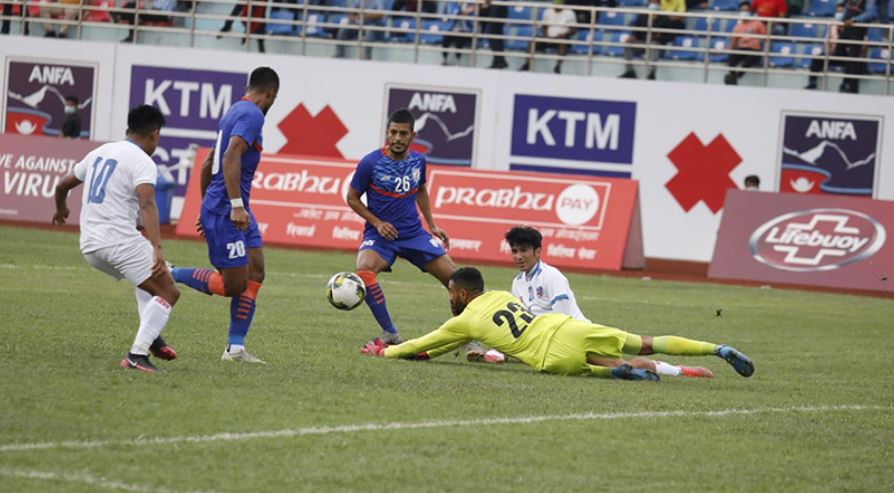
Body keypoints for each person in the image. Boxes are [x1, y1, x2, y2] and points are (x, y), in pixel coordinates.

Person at [361, 267, 755, 381]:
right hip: (566, 327)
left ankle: (622, 373)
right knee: (646, 341)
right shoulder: (504, 295)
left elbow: (423, 344)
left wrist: (386, 352)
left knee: (612, 368)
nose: (449, 298)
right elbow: (440, 346)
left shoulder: (465, 321)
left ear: (462, 294)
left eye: (451, 294)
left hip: (551, 354)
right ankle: (715, 349)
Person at [51, 105, 180, 373]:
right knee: (168, 290)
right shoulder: (143, 161)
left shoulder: (100, 151)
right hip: (118, 241)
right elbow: (147, 204)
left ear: (127, 130)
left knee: (150, 280)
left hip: (90, 246)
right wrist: (157, 247)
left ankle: (152, 337)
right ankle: (137, 354)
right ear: (155, 134)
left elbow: (62, 185)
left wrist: (61, 209)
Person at [169, 67, 280, 364]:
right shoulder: (253, 114)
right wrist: (232, 205)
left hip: (230, 207)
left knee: (256, 272)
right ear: (271, 94)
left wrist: (207, 207)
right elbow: (230, 156)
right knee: (234, 285)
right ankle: (169, 272)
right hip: (230, 209)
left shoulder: (233, 111)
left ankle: (235, 349)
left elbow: (208, 163)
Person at [347, 108, 456, 345]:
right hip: (381, 236)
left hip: (413, 234)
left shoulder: (419, 161)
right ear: (387, 133)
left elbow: (421, 190)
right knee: (364, 270)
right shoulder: (370, 163)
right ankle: (390, 333)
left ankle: (468, 338)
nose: (397, 138)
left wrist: (432, 225)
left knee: (457, 281)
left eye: (403, 133)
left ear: (412, 136)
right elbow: (352, 198)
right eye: (393, 132)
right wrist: (377, 223)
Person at [806, 0, 878, 93]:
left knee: (854, 59)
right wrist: (842, 21)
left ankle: (850, 88)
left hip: (857, 30)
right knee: (836, 54)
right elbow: (845, 10)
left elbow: (871, 13)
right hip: (846, 29)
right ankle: (812, 83)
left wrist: (854, 20)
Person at [619, 0, 687, 80]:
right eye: (652, 3)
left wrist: (659, 37)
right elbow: (636, 31)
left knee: (654, 45)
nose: (653, 5)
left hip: (658, 45)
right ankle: (630, 72)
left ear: (660, 4)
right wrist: (632, 37)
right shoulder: (642, 16)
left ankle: (651, 74)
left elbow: (669, 37)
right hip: (643, 43)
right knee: (628, 44)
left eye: (656, 3)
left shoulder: (665, 19)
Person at [520, 0, 577, 73]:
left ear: (563, 3)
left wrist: (564, 34)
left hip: (562, 38)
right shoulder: (547, 11)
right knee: (532, 41)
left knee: (563, 41)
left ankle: (557, 67)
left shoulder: (570, 13)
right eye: (556, 4)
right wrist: (545, 35)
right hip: (548, 37)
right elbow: (544, 26)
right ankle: (527, 65)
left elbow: (574, 30)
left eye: (559, 4)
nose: (557, 6)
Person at [724, 1, 768, 85]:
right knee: (731, 60)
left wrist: (756, 37)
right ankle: (733, 77)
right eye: (742, 10)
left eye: (746, 10)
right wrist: (728, 50)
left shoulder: (757, 23)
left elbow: (766, 37)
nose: (744, 13)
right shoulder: (738, 27)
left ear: (750, 12)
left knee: (749, 60)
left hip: (754, 49)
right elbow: (734, 41)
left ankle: (736, 76)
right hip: (741, 48)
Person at [480, 0, 509, 69]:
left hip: (499, 6)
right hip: (496, 6)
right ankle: (498, 61)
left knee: (493, 33)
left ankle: (500, 61)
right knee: (496, 34)